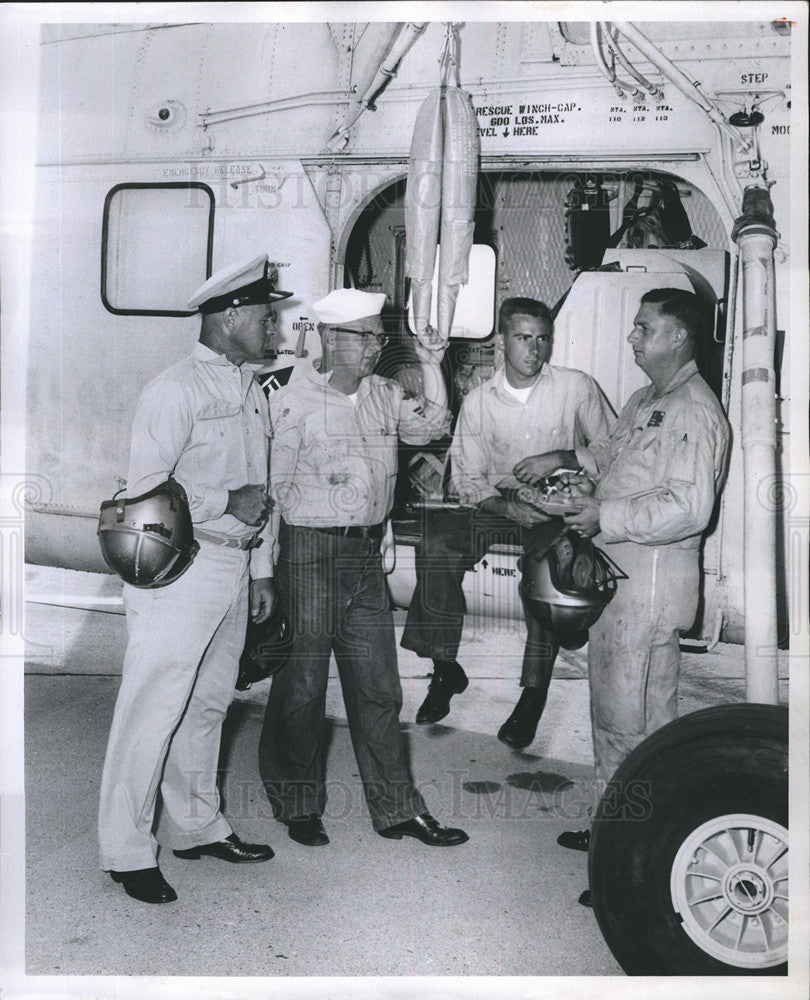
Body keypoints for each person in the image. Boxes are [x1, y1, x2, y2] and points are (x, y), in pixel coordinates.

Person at [514, 288, 731, 904]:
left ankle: (630, 858)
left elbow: (688, 509)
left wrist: (601, 515)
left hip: (652, 584)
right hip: (625, 580)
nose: (632, 337)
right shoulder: (647, 400)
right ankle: (616, 827)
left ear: (678, 337)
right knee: (627, 719)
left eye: (643, 328)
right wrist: (568, 463)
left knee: (628, 725)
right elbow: (611, 454)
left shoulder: (692, 409)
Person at [98, 255, 289, 904]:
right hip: (180, 567)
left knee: (209, 705)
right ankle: (125, 850)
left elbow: (261, 495)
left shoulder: (249, 389)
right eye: (267, 317)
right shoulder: (173, 390)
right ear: (230, 316)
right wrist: (217, 505)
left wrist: (261, 567)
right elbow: (140, 494)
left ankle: (198, 825)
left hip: (233, 569)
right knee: (152, 709)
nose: (276, 329)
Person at [258, 288, 468, 848]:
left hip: (364, 555)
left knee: (379, 687)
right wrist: (261, 570)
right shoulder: (287, 397)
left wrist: (430, 362)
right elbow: (271, 493)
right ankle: (297, 801)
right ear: (329, 337)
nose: (377, 346)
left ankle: (397, 807)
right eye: (365, 336)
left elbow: (435, 425)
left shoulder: (384, 394)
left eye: (379, 335)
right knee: (302, 686)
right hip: (308, 552)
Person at [400, 297, 615, 748]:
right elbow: (467, 479)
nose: (534, 349)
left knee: (545, 570)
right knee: (435, 543)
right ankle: (444, 670)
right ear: (501, 342)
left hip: (556, 508)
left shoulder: (576, 388)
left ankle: (532, 695)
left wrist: (562, 457)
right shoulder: (480, 402)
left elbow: (616, 450)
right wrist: (505, 506)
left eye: (542, 339)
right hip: (498, 506)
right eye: (523, 338)